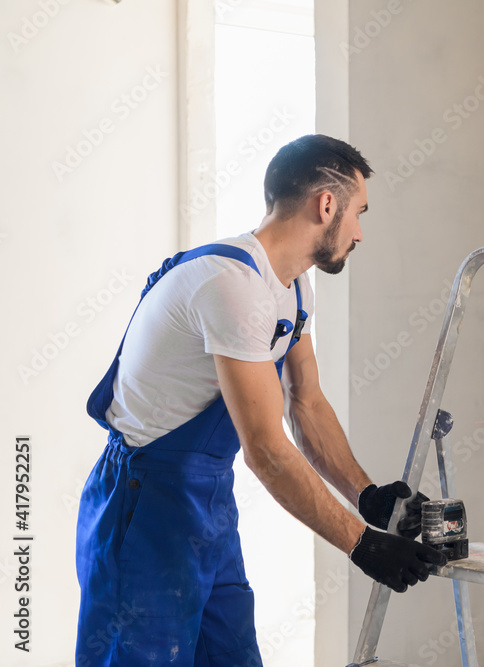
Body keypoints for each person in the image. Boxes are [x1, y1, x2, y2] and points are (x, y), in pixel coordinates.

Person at [75, 135, 446, 666]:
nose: (360, 232)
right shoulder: (231, 286)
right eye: (358, 213)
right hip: (143, 505)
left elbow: (308, 405)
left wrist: (369, 497)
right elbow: (267, 451)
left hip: (206, 507)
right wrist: (364, 545)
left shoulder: (292, 289)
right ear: (326, 204)